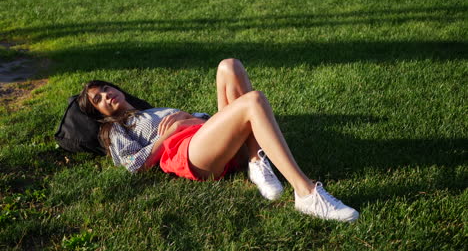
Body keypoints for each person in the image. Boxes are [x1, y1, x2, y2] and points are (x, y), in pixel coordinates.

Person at [78, 58, 359, 222]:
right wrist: (169, 133)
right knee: (254, 101)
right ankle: (306, 194)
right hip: (188, 153)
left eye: (105, 88)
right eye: (99, 100)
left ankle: (255, 161)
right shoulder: (115, 129)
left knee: (229, 66)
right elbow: (133, 164)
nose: (106, 95)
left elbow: (204, 119)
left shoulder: (148, 111)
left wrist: (189, 120)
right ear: (99, 113)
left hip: (201, 135)